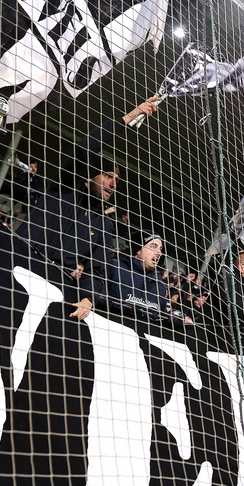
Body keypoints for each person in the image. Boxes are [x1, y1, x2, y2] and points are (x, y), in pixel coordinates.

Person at [17, 97, 160, 321]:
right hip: (18, 261)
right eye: (108, 176)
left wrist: (88, 297)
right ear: (89, 177)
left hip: (53, 287)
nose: (113, 185)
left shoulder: (104, 224)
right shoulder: (63, 188)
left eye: (116, 181)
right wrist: (132, 115)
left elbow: (97, 269)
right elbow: (86, 146)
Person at [106, 232, 170, 320]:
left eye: (160, 249)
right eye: (153, 247)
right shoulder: (114, 268)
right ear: (138, 250)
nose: (159, 253)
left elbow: (161, 318)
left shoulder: (161, 286)